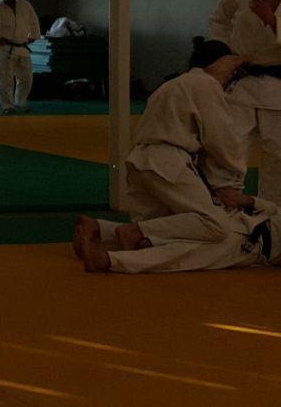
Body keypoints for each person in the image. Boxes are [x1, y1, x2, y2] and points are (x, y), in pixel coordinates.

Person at [73, 42, 277, 273]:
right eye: (231, 71)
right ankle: (132, 232)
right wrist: (233, 183)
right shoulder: (206, 85)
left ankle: (99, 230)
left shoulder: (173, 84)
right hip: (168, 161)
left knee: (173, 230)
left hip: (141, 160)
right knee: (214, 224)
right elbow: (221, 141)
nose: (231, 77)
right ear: (220, 63)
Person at [208, 0, 281, 203]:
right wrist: (225, 51)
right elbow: (219, 19)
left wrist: (273, 22)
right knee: (229, 145)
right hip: (242, 80)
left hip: (277, 86)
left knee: (277, 154)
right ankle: (223, 203)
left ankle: (272, 211)